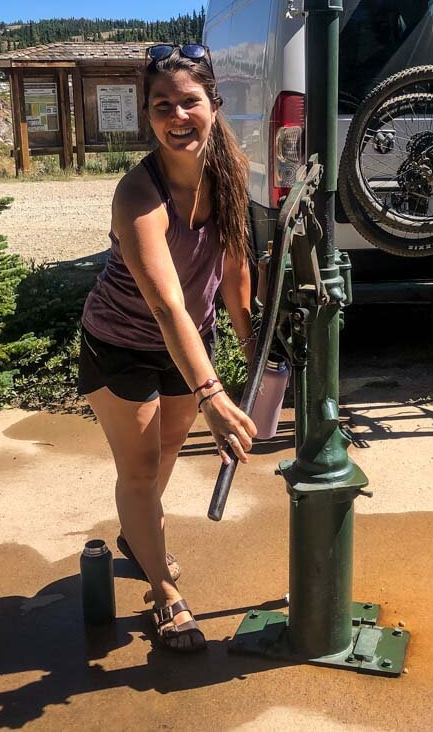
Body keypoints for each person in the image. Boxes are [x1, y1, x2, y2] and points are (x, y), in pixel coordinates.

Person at [78, 43, 258, 654]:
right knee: (140, 469)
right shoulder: (137, 194)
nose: (178, 117)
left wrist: (255, 348)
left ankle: (138, 534)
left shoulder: (231, 171)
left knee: (169, 451)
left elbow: (234, 276)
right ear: (146, 116)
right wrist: (213, 392)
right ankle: (164, 595)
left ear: (215, 105)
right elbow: (166, 304)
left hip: (188, 342)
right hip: (121, 341)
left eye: (190, 102)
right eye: (163, 106)